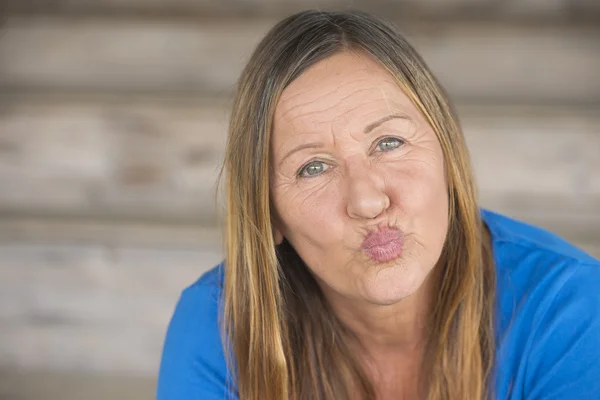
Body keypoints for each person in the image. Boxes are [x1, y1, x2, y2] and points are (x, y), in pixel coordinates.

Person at [156, 10, 600, 400]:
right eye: (313, 168)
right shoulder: (217, 328)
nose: (368, 201)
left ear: (448, 156)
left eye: (389, 142)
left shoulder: (569, 306)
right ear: (268, 212)